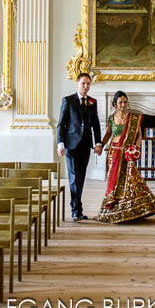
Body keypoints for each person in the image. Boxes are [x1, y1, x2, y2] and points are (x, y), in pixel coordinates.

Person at [95, 91, 155, 223]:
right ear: (115, 104)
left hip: (127, 153)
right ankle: (113, 210)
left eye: (125, 102)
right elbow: (108, 134)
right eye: (120, 102)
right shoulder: (111, 118)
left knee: (129, 181)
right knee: (113, 182)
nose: (123, 104)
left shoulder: (134, 118)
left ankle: (130, 210)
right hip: (113, 153)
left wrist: (134, 150)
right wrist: (101, 145)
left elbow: (139, 136)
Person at [57, 73, 103, 221]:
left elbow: (95, 124)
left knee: (81, 177)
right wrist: (60, 143)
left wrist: (98, 143)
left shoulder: (92, 102)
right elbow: (61, 124)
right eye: (83, 83)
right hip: (71, 145)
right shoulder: (68, 101)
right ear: (77, 83)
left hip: (85, 145)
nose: (86, 86)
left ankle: (77, 207)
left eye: (88, 83)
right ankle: (76, 210)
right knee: (74, 177)